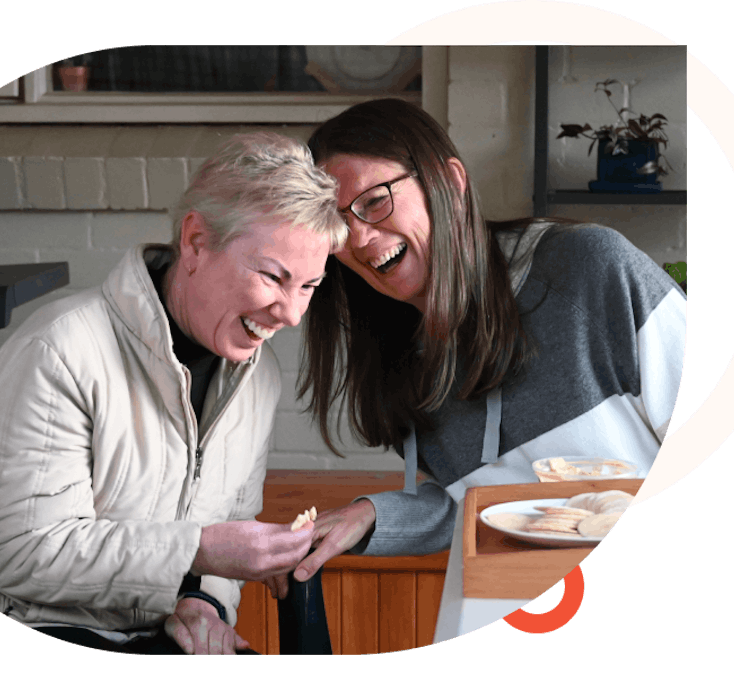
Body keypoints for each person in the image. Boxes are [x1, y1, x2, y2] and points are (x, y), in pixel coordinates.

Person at [0, 132, 347, 654]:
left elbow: (227, 530)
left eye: (309, 286)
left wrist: (202, 603)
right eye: (272, 277)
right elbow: (21, 553)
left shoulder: (256, 376)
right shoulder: (59, 349)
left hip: (145, 633)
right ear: (196, 242)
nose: (292, 314)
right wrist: (197, 551)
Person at [292, 98, 687, 582]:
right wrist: (375, 515)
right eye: (335, 225)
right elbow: (487, 502)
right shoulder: (400, 353)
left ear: (451, 182)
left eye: (374, 201)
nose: (357, 239)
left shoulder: (589, 269)